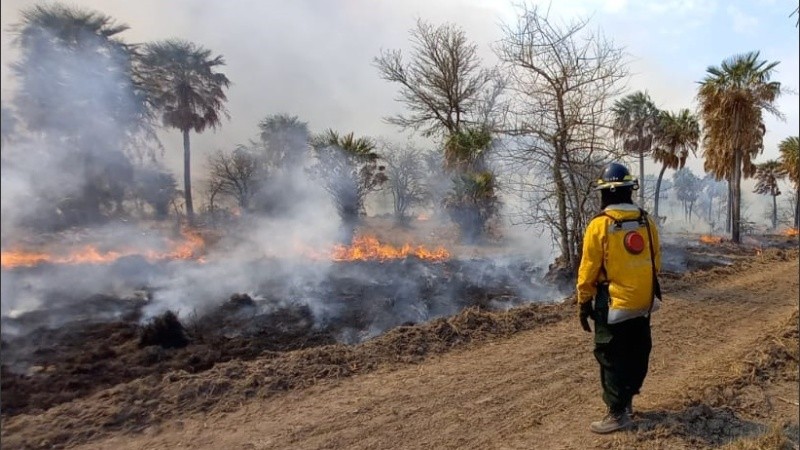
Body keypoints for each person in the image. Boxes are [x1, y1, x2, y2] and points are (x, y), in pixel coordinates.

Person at [576, 162, 662, 434]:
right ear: (628, 191)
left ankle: (617, 412)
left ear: (606, 193)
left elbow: (588, 268)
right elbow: (656, 262)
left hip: (612, 304)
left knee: (610, 355)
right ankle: (627, 401)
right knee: (638, 350)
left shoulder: (600, 225)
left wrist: (583, 300)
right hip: (644, 302)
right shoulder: (646, 220)